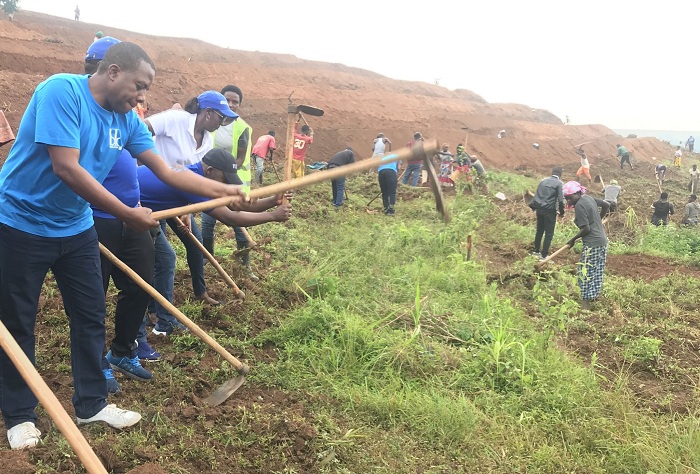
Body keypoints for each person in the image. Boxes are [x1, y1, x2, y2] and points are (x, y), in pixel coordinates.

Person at [0, 41, 244, 450]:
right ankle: (20, 415)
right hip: (21, 224)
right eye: (139, 85)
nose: (142, 97)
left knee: (90, 314)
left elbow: (168, 171)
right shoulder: (61, 91)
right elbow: (66, 167)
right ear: (113, 72)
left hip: (75, 227)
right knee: (19, 321)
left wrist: (223, 189)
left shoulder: (127, 120)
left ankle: (91, 404)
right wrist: (128, 214)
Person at [139, 148, 292, 334]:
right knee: (165, 259)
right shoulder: (195, 184)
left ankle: (156, 312)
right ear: (210, 171)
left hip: (146, 206)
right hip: (131, 209)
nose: (225, 184)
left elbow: (234, 206)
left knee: (164, 258)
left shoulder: (198, 175)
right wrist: (272, 216)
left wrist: (272, 201)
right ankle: (164, 322)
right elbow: (230, 218)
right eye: (224, 179)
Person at [145, 90, 237, 309]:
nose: (222, 123)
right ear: (208, 112)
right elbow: (139, 130)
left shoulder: (207, 141)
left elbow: (196, 177)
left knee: (195, 243)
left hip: (179, 197)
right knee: (159, 256)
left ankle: (200, 292)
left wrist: (187, 209)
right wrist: (141, 161)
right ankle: (153, 308)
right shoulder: (175, 119)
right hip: (153, 196)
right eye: (221, 118)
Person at [203, 84, 256, 279]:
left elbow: (240, 158)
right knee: (208, 222)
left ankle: (244, 265)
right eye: (228, 100)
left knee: (239, 223)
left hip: (235, 181)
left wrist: (226, 171)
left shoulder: (242, 127)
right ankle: (207, 258)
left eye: (235, 102)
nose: (231, 104)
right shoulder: (211, 121)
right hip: (212, 179)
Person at [563, 181, 609, 311]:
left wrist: (573, 239)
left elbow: (586, 229)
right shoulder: (588, 198)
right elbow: (606, 205)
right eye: (566, 198)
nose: (569, 201)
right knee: (597, 271)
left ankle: (585, 305)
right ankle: (593, 296)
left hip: (592, 244)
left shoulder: (579, 206)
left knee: (584, 271)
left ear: (578, 193)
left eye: (570, 197)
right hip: (602, 242)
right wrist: (598, 220)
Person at [529, 167, 565, 260]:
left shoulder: (543, 181)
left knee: (539, 230)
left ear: (552, 172)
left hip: (540, 209)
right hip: (550, 211)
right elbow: (561, 200)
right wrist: (561, 212)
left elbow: (537, 194)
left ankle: (536, 251)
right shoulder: (559, 184)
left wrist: (534, 207)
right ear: (560, 174)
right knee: (549, 233)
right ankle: (544, 255)